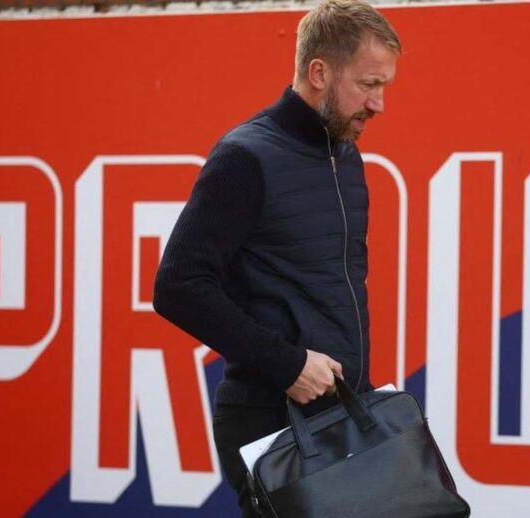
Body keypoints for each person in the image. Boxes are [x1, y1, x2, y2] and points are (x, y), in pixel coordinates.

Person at [152, 1, 400, 515]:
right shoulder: (245, 157)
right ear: (319, 73)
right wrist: (288, 365)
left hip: (342, 416)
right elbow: (178, 285)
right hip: (272, 422)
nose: (378, 104)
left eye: (384, 86)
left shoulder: (346, 157)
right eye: (368, 84)